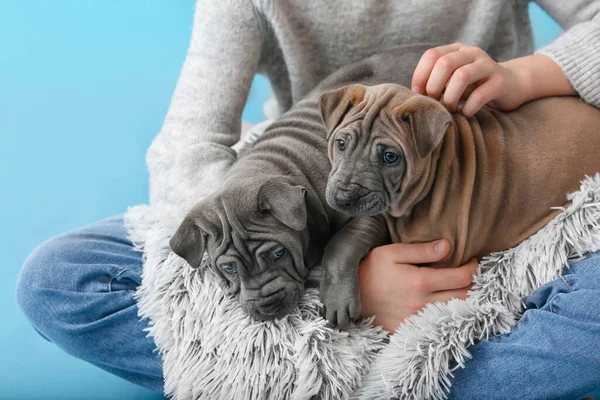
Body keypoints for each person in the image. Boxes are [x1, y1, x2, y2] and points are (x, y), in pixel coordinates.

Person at [16, 1, 600, 398]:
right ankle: (422, 374)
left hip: (506, 180)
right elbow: (186, 150)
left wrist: (530, 74)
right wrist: (330, 279)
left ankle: (307, 374)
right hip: (291, 208)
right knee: (56, 281)